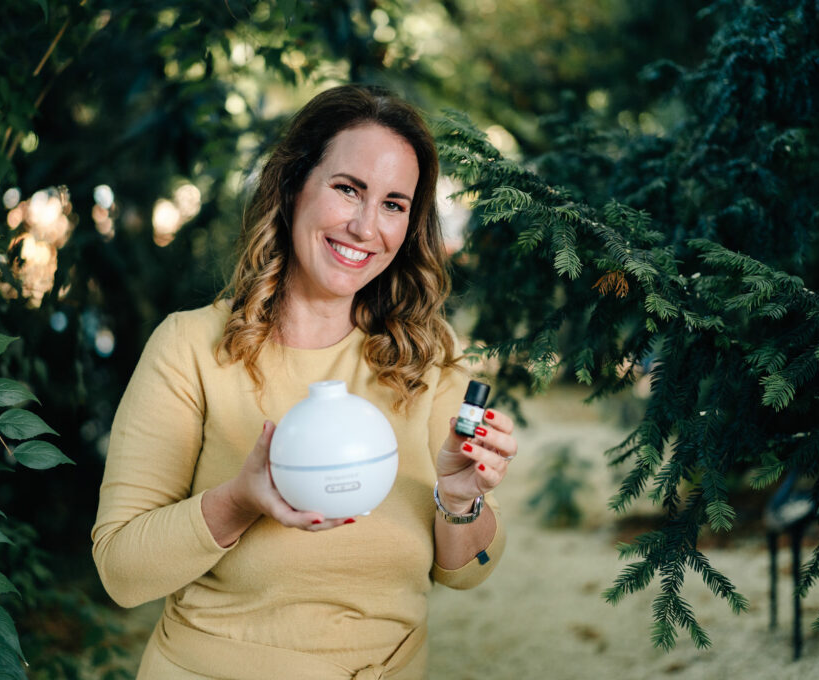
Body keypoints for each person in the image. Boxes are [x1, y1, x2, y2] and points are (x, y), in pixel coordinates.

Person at [91, 84, 517, 680]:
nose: (367, 227)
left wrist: (460, 499)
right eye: (348, 190)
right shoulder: (191, 347)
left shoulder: (427, 359)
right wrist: (238, 501)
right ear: (292, 187)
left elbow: (467, 571)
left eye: (395, 204)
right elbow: (121, 571)